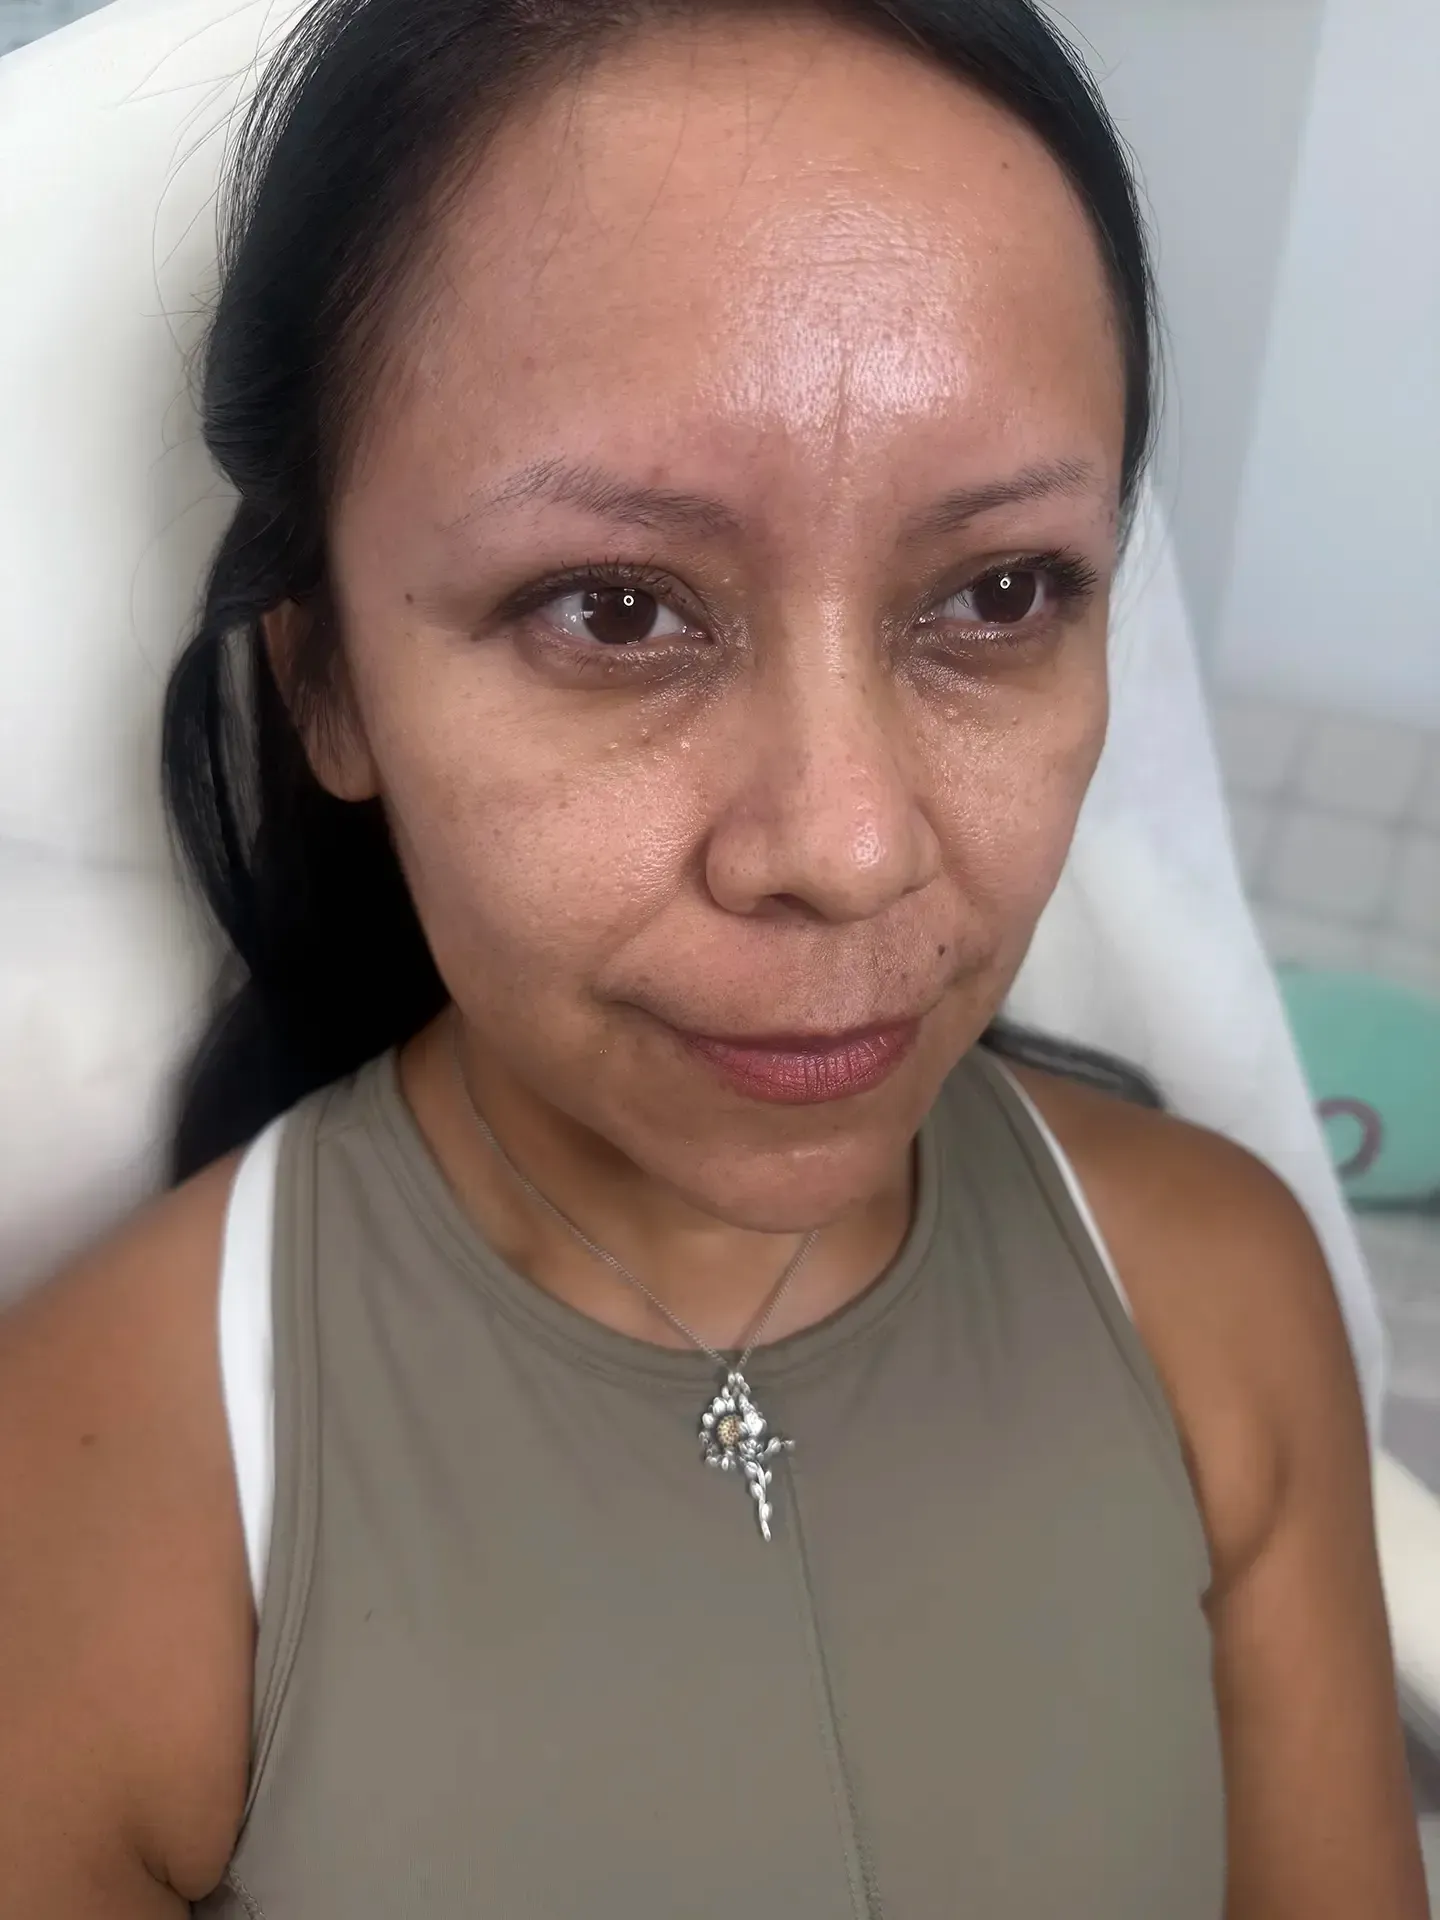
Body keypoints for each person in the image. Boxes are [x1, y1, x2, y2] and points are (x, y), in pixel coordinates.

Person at [0, 0, 1427, 1913]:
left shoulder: (1216, 1310)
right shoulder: (103, 1494)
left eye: (1000, 593)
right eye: (614, 609)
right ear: (330, 679)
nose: (850, 849)